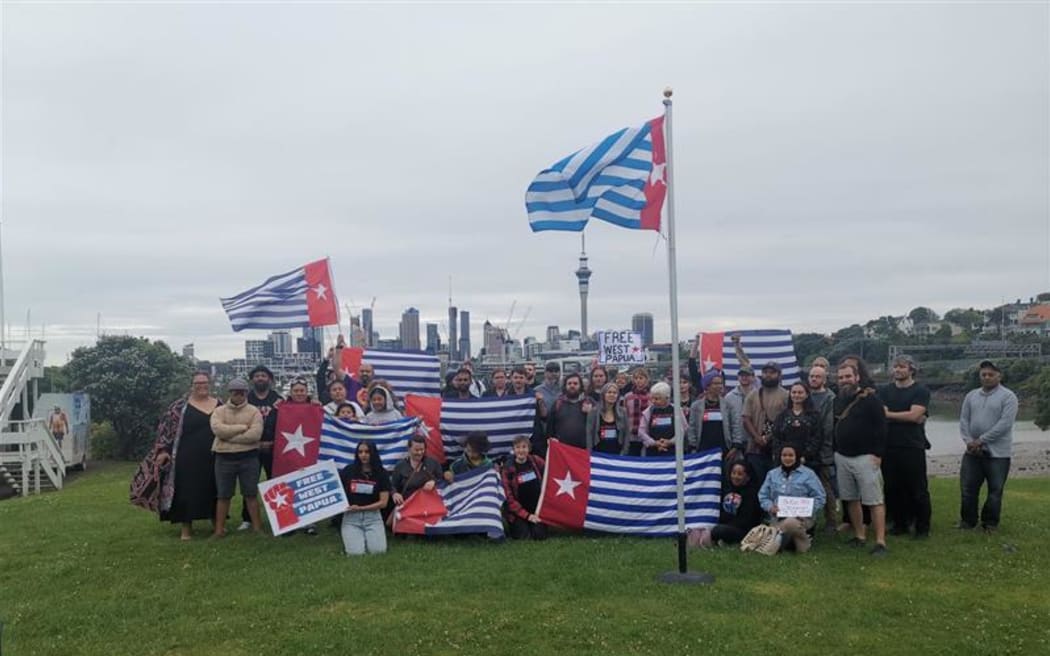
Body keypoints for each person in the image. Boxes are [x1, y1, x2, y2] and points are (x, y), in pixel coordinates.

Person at [150, 372, 220, 541]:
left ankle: (217, 526)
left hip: (214, 455)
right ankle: (186, 529)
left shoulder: (220, 404)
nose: (201, 385)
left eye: (204, 382)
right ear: (191, 385)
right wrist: (163, 451)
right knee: (186, 491)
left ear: (209, 384)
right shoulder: (179, 407)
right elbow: (164, 431)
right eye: (197, 383)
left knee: (215, 489)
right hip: (186, 457)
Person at [834, 362, 889, 557]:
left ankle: (881, 541)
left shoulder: (871, 399)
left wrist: (878, 454)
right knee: (851, 499)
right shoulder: (838, 399)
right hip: (842, 456)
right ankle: (860, 536)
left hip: (866, 457)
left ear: (857, 377)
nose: (844, 381)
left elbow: (882, 426)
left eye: (848, 376)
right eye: (840, 378)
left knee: (874, 500)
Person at [958, 360, 1018, 532]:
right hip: (972, 452)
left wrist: (981, 440)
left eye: (991, 374)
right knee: (968, 489)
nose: (986, 377)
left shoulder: (1008, 397)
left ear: (999, 376)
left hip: (997, 454)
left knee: (995, 490)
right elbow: (964, 420)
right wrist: (968, 441)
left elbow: (1005, 424)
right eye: (983, 374)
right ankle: (967, 522)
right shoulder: (971, 396)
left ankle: (990, 524)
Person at [878, 355, 932, 538]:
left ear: (911, 369)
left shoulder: (921, 390)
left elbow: (915, 416)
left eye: (902, 366)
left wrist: (890, 415)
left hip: (912, 446)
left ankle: (922, 528)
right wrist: (904, 415)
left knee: (917, 488)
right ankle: (899, 524)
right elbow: (881, 414)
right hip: (889, 445)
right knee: (893, 488)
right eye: (895, 366)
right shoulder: (884, 390)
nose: (897, 370)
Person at [209, 378, 263, 537]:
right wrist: (241, 428)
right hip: (224, 458)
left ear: (246, 393)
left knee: (251, 494)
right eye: (235, 392)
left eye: (241, 392)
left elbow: (254, 435)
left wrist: (227, 436)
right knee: (223, 495)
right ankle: (218, 531)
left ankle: (258, 528)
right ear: (230, 393)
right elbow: (218, 430)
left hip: (249, 457)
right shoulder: (219, 411)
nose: (238, 395)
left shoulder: (254, 411)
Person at [758, 444, 827, 554]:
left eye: (791, 455)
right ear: (779, 456)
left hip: (802, 519)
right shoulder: (772, 474)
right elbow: (763, 496)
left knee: (790, 523)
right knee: (785, 525)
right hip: (777, 518)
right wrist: (770, 507)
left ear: (797, 457)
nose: (787, 458)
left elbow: (820, 497)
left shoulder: (809, 474)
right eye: (784, 455)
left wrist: (807, 510)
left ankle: (780, 540)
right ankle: (788, 542)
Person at [238, 365, 282, 531]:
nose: (260, 378)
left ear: (269, 379)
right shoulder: (246, 399)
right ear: (252, 380)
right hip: (251, 447)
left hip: (273, 447)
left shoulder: (278, 399)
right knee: (249, 484)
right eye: (257, 376)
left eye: (264, 375)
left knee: (276, 482)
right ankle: (247, 518)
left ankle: (278, 516)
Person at [690, 461, 762, 547]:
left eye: (740, 474)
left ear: (747, 477)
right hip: (724, 524)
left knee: (719, 530)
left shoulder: (752, 494)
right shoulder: (725, 489)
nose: (735, 476)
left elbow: (746, 520)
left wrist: (725, 523)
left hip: (743, 530)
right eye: (733, 473)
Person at [339, 440, 391, 555]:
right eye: (360, 452)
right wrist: (306, 473)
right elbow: (332, 486)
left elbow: (383, 503)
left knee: (379, 552)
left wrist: (361, 508)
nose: (363, 455)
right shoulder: (348, 471)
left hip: (373, 518)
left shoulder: (382, 473)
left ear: (373, 453)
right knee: (356, 554)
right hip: (351, 519)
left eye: (367, 452)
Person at [742, 362, 788, 482]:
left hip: (777, 449)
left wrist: (768, 438)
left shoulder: (786, 396)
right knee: (755, 484)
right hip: (754, 449)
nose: (768, 375)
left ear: (779, 375)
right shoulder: (752, 395)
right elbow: (746, 418)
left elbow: (787, 421)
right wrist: (757, 437)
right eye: (765, 372)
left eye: (772, 372)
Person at [806, 364, 838, 532]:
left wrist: (820, 447)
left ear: (824, 379)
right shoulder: (804, 395)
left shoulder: (830, 398)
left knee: (825, 486)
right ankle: (807, 520)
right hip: (805, 449)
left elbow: (828, 426)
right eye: (811, 376)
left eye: (817, 376)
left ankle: (831, 520)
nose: (814, 379)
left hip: (823, 450)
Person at [500, 435, 548, 540]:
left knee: (540, 535)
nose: (521, 450)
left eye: (524, 447)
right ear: (513, 450)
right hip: (517, 511)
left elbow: (550, 468)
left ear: (529, 449)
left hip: (535, 508)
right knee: (524, 536)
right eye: (517, 447)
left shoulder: (536, 461)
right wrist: (527, 516)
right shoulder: (508, 468)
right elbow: (509, 499)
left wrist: (552, 447)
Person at [770, 382, 822, 466]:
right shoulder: (782, 416)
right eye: (794, 392)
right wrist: (781, 455)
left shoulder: (814, 416)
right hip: (785, 460)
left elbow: (817, 438)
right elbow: (776, 438)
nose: (796, 395)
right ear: (790, 394)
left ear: (807, 395)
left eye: (800, 392)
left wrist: (805, 456)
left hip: (808, 461)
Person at [686, 371, 734, 454]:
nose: (719, 386)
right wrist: (693, 446)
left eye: (720, 383)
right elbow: (692, 427)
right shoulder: (696, 406)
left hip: (723, 448)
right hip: (703, 449)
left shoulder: (728, 405)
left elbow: (734, 425)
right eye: (715, 383)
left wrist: (734, 446)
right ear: (707, 386)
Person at [390, 435, 443, 505]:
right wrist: (395, 494)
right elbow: (392, 486)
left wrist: (434, 482)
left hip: (430, 505)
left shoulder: (433, 463)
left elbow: (442, 479)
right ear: (409, 449)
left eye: (422, 449)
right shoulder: (400, 466)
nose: (420, 453)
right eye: (416, 450)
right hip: (408, 505)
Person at [545, 373, 592, 449]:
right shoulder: (557, 403)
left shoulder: (589, 402)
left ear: (580, 386)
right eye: (569, 383)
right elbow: (550, 428)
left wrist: (591, 413)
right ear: (565, 386)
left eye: (575, 383)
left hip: (583, 450)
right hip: (562, 450)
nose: (572, 386)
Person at [638, 382, 685, 456]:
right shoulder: (648, 411)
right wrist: (654, 443)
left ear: (667, 398)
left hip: (673, 451)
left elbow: (682, 430)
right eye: (652, 398)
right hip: (652, 451)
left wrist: (670, 442)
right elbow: (641, 431)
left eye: (657, 399)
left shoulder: (676, 410)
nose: (653, 401)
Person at [724, 364, 758, 462]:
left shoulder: (758, 395)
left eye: (747, 375)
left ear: (753, 377)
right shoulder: (729, 397)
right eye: (742, 375)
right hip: (735, 442)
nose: (744, 378)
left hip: (753, 441)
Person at [586, 382, 630, 454]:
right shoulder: (593, 412)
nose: (612, 395)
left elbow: (627, 434)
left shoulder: (623, 412)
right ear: (603, 395)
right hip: (598, 454)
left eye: (614, 393)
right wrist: (590, 453)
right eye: (609, 392)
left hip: (618, 454)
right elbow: (589, 435)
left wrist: (624, 452)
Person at [623, 367, 652, 456]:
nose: (638, 381)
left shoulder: (651, 396)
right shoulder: (628, 396)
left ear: (647, 380)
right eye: (636, 378)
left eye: (641, 378)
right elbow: (625, 414)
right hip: (632, 433)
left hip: (647, 433)